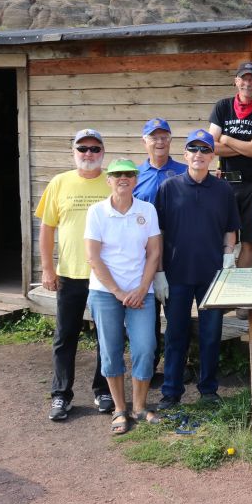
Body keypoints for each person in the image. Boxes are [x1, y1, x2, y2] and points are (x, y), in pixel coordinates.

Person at [154, 130, 240, 410]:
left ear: (213, 156)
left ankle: (208, 389)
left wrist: (229, 257)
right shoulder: (169, 187)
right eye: (194, 150)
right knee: (176, 335)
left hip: (211, 276)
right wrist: (158, 271)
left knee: (211, 335)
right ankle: (171, 392)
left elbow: (231, 229)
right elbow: (158, 232)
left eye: (205, 150)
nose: (199, 155)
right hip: (176, 275)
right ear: (185, 155)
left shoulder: (223, 190)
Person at [36, 129, 112, 421]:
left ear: (103, 152)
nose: (89, 154)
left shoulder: (112, 182)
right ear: (74, 152)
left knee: (107, 337)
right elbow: (47, 228)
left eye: (95, 149)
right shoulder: (59, 183)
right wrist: (47, 267)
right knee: (65, 337)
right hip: (69, 274)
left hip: (104, 277)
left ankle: (103, 390)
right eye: (83, 149)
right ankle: (60, 395)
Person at [84, 159, 161, 435]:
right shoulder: (96, 212)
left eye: (129, 174)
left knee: (144, 348)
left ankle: (139, 407)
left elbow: (154, 252)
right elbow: (93, 257)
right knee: (111, 350)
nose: (123, 178)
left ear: (136, 179)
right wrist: (118, 292)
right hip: (106, 293)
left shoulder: (147, 210)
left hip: (142, 292)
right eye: (117, 174)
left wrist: (141, 289)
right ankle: (119, 409)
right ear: (109, 180)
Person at [208, 62, 252, 273]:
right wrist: (247, 146)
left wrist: (227, 138)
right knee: (220, 239)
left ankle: (240, 299)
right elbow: (210, 146)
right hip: (226, 183)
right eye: (244, 78)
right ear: (236, 81)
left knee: (250, 241)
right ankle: (217, 291)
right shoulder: (222, 107)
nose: (248, 83)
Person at [133, 117, 187, 383]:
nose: (160, 141)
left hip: (176, 255)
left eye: (164, 136)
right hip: (143, 258)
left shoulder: (183, 170)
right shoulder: (134, 176)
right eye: (154, 137)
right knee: (148, 316)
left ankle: (178, 366)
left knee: (177, 315)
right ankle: (150, 368)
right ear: (145, 141)